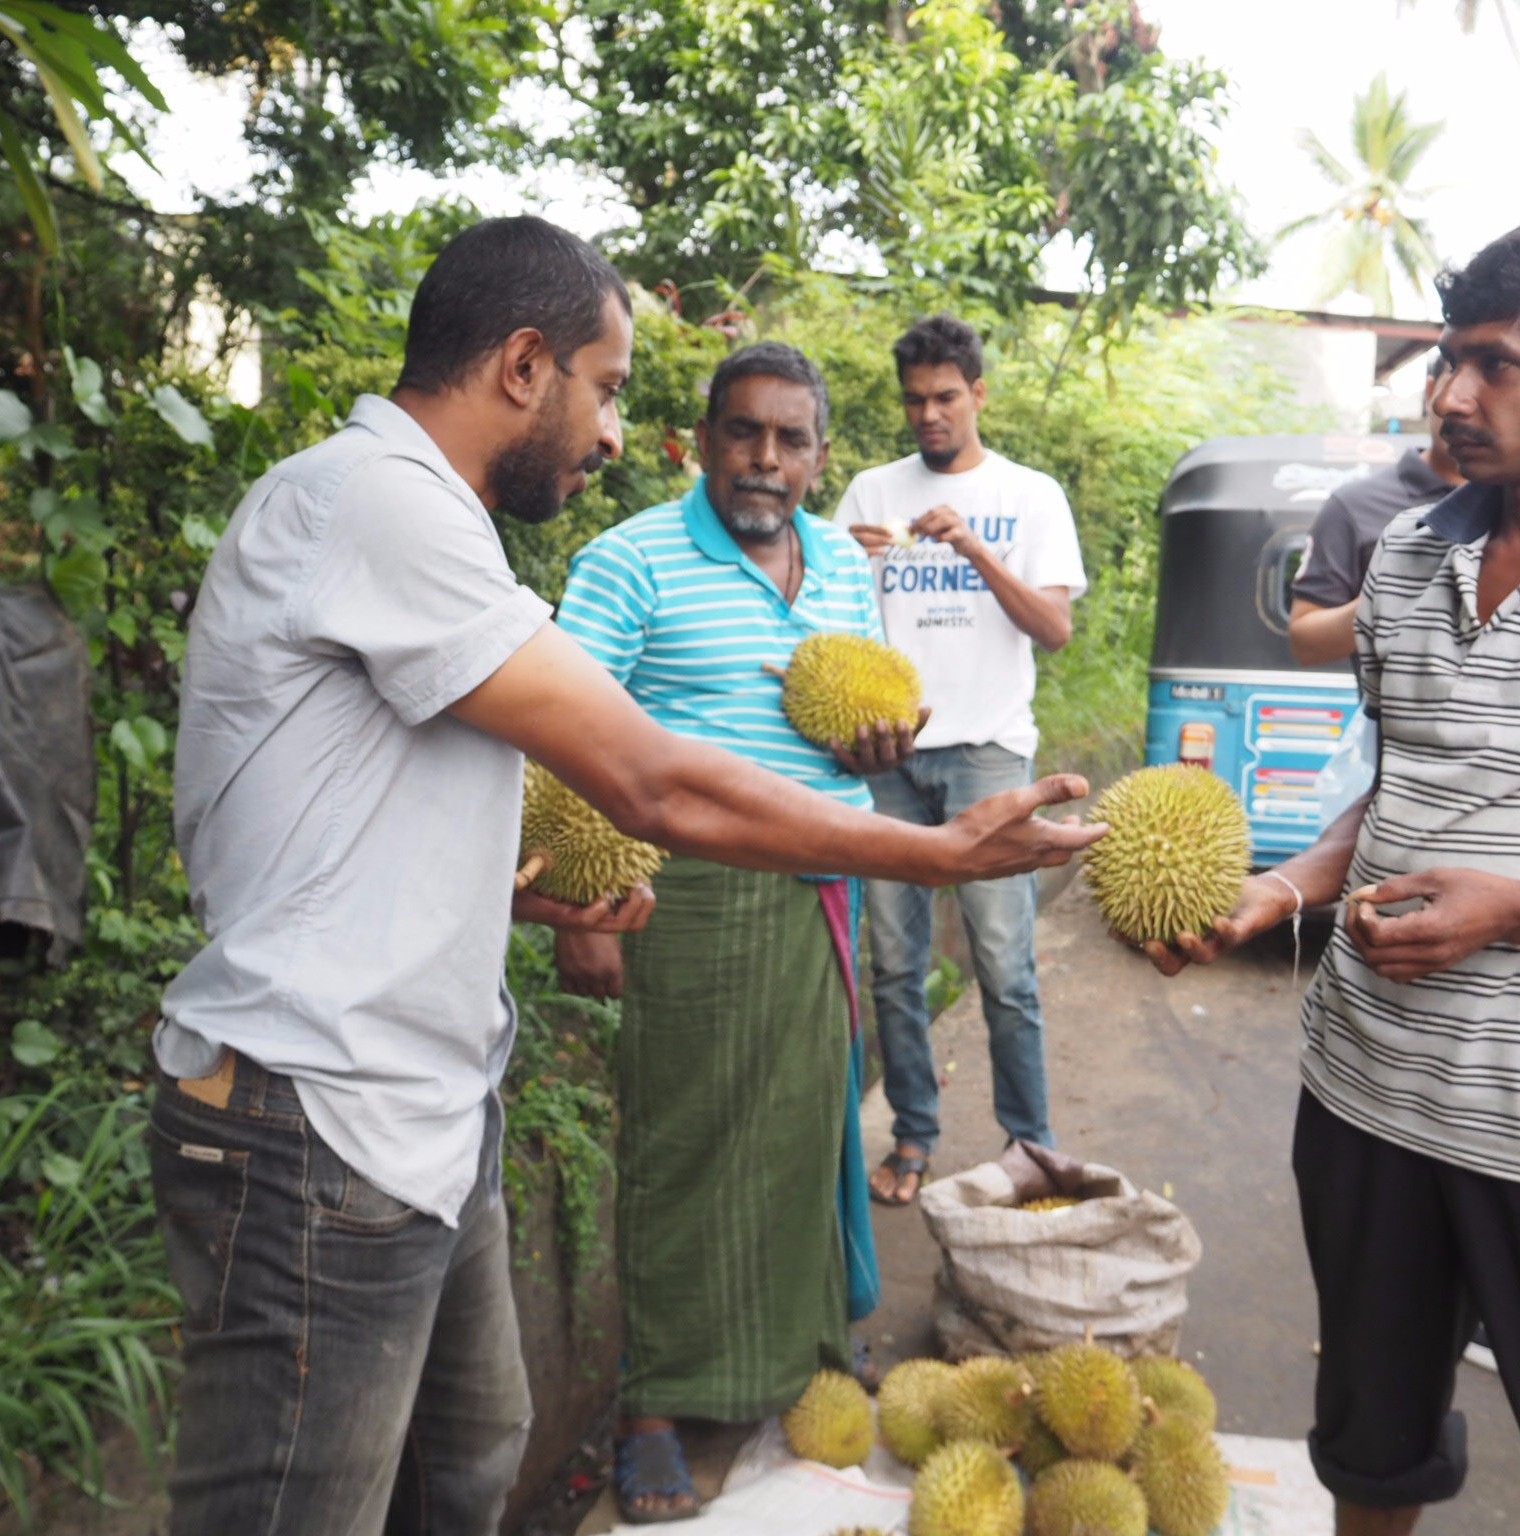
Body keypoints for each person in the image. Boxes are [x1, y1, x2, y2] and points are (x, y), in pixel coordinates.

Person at [151, 216, 1104, 1536]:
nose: (612, 435)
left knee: (469, 1462)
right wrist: (941, 849)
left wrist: (517, 891)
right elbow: (647, 780)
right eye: (605, 389)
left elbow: (367, 796)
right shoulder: (373, 500)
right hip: (316, 1113)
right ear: (527, 366)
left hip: (425, 1105)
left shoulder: (435, 521)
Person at [1143, 215, 1520, 1536]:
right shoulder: (1403, 561)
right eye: (1446, 363)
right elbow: (1400, 793)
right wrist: (1281, 889)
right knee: (1372, 1440)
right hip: (1362, 1099)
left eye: (1498, 366)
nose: (1453, 396)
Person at [551, 341, 916, 1522]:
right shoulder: (628, 563)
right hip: (688, 891)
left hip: (823, 875)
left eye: (791, 440)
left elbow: (877, 702)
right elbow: (568, 743)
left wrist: (884, 744)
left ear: (818, 456)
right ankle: (653, 1402)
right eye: (744, 433)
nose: (766, 459)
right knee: (683, 1141)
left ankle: (805, 1350)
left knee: (809, 1132)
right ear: (700, 440)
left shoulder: (845, 571)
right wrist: (578, 911)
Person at [831, 313, 1088, 1207]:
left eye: (945, 398)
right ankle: (912, 1136)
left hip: (987, 751)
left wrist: (974, 547)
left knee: (1005, 966)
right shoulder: (870, 493)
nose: (928, 415)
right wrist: (838, 559)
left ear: (978, 394)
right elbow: (824, 619)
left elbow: (1054, 629)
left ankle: (1031, 1146)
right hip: (888, 754)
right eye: (914, 401)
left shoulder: (1030, 496)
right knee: (896, 965)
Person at [1288, 356, 1461, 669]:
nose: (1466, 402)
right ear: (1431, 391)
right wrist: (1387, 595)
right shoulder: (1354, 505)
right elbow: (1306, 642)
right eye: (1456, 380)